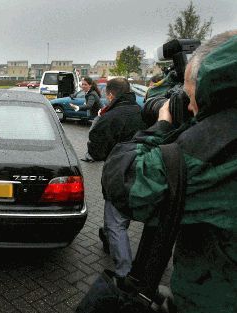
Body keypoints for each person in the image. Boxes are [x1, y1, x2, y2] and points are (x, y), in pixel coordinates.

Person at [101, 30, 237, 312]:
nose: (188, 107)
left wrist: (162, 127)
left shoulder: (215, 148)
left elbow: (122, 179)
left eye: (190, 97)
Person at [85, 77, 146, 278]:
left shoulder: (110, 117)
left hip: (119, 177)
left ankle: (124, 275)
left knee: (115, 224)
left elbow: (96, 151)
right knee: (122, 216)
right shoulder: (144, 112)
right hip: (146, 174)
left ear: (110, 95)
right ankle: (111, 243)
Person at [69, 77, 102, 162]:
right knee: (96, 137)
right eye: (82, 84)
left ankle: (90, 156)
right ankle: (95, 155)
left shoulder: (91, 94)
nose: (83, 86)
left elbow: (89, 106)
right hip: (99, 116)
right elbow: (89, 104)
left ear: (90, 85)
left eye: (85, 84)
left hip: (99, 117)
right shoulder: (90, 93)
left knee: (92, 135)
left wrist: (77, 107)